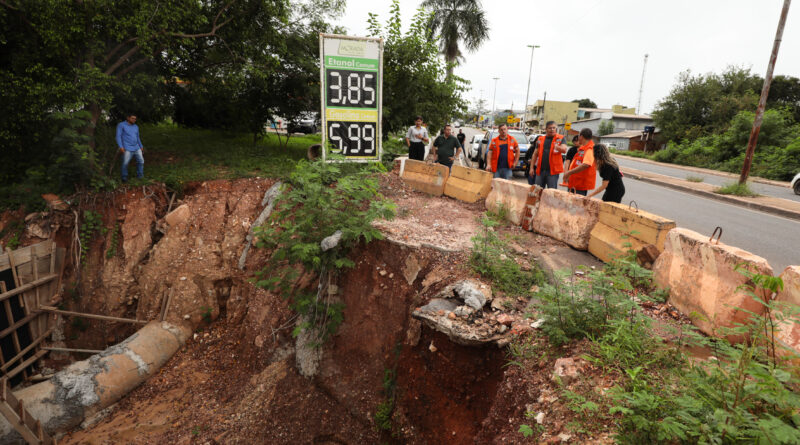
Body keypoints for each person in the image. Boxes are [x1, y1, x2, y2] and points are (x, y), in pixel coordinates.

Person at [529, 121, 568, 189]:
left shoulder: (561, 138)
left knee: (551, 192)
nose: (552, 129)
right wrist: (531, 168)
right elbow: (535, 154)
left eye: (554, 128)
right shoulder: (540, 139)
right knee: (538, 191)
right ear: (546, 129)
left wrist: (557, 147)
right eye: (550, 128)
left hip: (552, 172)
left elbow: (564, 149)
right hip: (540, 170)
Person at [563, 128, 596, 196]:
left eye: (578, 135)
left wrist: (569, 172)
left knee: (576, 205)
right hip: (575, 183)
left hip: (580, 184)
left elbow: (586, 164)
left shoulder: (589, 149)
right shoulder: (583, 148)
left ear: (581, 136)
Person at [116, 114, 144, 183]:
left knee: (141, 161)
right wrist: (121, 146)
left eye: (135, 119)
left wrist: (141, 146)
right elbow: (118, 136)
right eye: (132, 118)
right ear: (128, 118)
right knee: (125, 163)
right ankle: (124, 178)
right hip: (127, 148)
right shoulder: (121, 125)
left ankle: (140, 176)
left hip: (137, 147)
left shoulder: (136, 126)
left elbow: (137, 137)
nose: (134, 120)